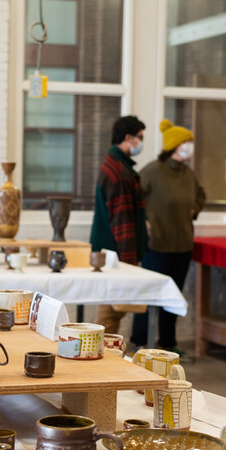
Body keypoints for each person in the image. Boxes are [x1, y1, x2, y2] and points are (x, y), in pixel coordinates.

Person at [130, 120, 206, 354]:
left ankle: (168, 343)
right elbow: (133, 196)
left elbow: (200, 195)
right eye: (186, 142)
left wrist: (194, 208)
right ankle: (139, 342)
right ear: (174, 145)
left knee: (173, 298)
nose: (189, 147)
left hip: (182, 244)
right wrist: (143, 222)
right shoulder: (153, 171)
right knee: (149, 296)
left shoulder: (188, 174)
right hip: (157, 245)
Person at [90, 115, 149, 336]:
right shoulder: (120, 173)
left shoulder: (114, 165)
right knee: (111, 311)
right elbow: (122, 222)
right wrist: (130, 264)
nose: (142, 143)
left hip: (109, 251)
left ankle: (103, 352)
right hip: (116, 253)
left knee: (112, 309)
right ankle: (101, 355)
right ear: (128, 138)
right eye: (140, 138)